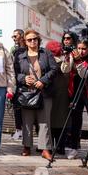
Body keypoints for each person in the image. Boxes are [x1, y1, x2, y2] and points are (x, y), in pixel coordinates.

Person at [14, 30, 57, 160]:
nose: (33, 42)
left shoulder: (46, 53)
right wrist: (23, 79)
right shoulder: (20, 55)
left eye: (35, 39)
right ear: (25, 42)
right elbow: (14, 72)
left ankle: (45, 149)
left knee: (44, 121)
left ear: (38, 40)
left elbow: (54, 69)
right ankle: (27, 147)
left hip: (44, 92)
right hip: (27, 92)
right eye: (29, 40)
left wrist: (43, 81)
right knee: (27, 120)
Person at [62, 37, 88, 161]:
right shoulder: (73, 55)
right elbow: (65, 70)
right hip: (76, 91)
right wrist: (67, 58)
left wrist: (79, 61)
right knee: (75, 121)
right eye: (79, 48)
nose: (81, 51)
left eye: (84, 49)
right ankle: (74, 147)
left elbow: (86, 75)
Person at [45, 41, 70, 155]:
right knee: (61, 120)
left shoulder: (47, 60)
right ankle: (60, 146)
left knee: (50, 120)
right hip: (62, 93)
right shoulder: (66, 58)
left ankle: (51, 146)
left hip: (52, 92)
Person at [10, 29, 26, 140]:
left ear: (21, 36)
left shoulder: (27, 48)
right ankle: (18, 130)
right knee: (16, 107)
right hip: (16, 81)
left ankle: (26, 131)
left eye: (15, 36)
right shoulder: (13, 49)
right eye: (13, 36)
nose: (14, 38)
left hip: (26, 80)